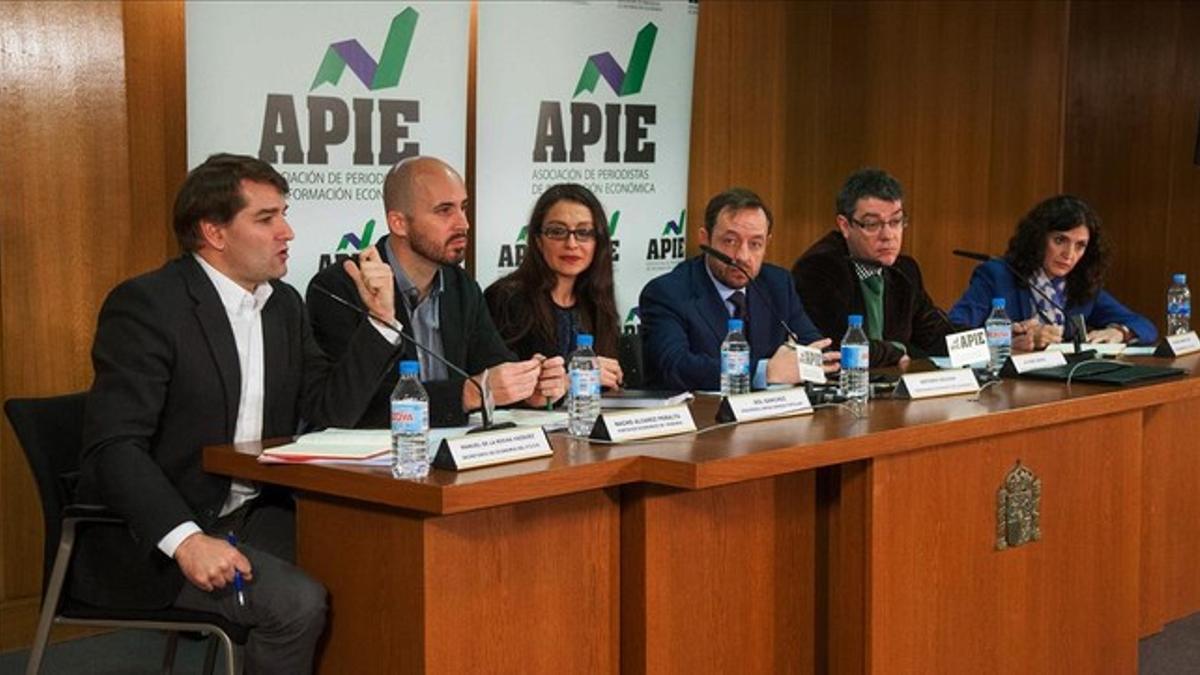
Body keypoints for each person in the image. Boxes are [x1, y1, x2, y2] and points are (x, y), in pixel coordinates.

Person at [75, 154, 401, 675]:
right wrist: (185, 539)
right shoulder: (148, 306)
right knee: (296, 604)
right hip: (160, 533)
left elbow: (324, 415)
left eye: (284, 214)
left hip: (255, 512)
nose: (288, 231)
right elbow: (115, 447)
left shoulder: (283, 305)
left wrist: (380, 323)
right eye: (267, 218)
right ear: (214, 232)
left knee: (380, 563)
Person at [307, 156, 566, 427]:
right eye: (445, 211)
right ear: (399, 223)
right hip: (377, 461)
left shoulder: (461, 286)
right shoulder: (341, 287)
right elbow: (350, 408)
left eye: (463, 208)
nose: (463, 223)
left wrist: (528, 388)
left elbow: (493, 368)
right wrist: (464, 394)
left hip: (451, 455)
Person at [640, 187, 838, 391]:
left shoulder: (777, 284)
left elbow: (817, 349)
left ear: (767, 243)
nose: (743, 256)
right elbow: (676, 367)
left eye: (755, 244)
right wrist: (765, 371)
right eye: (730, 241)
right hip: (701, 417)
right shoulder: (667, 293)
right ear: (705, 239)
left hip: (768, 416)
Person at [792, 168, 958, 367]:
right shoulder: (818, 269)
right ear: (845, 226)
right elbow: (837, 346)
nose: (888, 235)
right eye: (872, 224)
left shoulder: (905, 271)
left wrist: (986, 340)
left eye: (896, 221)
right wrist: (898, 350)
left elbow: (935, 334)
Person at [949, 194, 1157, 348]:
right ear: (1038, 238)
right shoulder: (997, 275)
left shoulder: (1080, 284)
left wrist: (1120, 332)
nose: (1069, 254)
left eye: (1080, 245)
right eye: (1060, 240)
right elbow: (953, 333)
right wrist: (1008, 339)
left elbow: (1145, 325)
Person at [484, 183, 623, 388]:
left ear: (598, 242)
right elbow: (505, 383)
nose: (572, 244)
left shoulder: (596, 300)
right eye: (557, 232)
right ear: (538, 240)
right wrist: (582, 372)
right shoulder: (506, 298)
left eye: (584, 232)